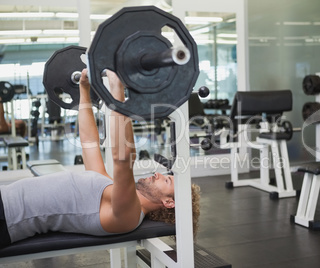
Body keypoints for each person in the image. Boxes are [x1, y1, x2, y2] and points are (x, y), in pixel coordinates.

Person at [0, 69, 200, 248]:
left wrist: (117, 87)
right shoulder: (109, 187)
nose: (157, 174)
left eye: (166, 180)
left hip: (7, 216)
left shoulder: (130, 214)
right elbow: (89, 143)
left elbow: (123, 158)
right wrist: (84, 91)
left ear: (168, 202)